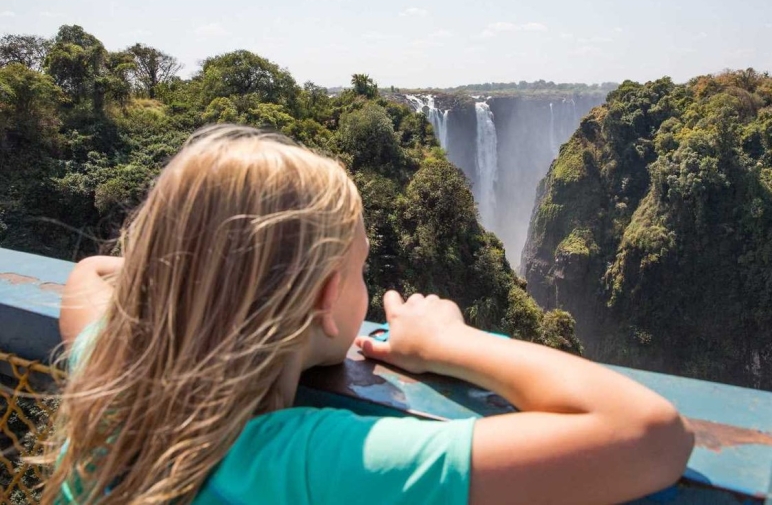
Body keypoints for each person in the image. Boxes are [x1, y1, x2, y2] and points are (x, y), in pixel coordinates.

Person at [48, 124, 694, 505]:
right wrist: (453, 341)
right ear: (328, 302)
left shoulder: (103, 377)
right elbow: (648, 434)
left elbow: (93, 274)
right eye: (359, 269)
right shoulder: (305, 461)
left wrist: (200, 279)